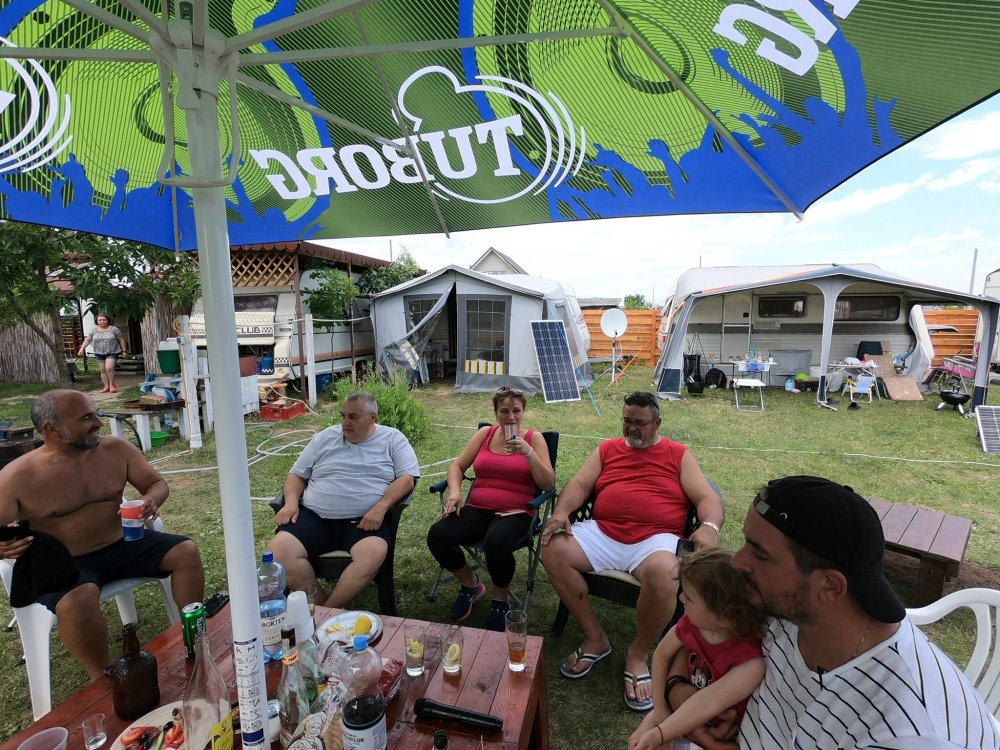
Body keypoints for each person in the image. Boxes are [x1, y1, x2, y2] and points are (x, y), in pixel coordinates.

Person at [691, 475, 998, 750]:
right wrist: (678, 691)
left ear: (830, 586)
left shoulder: (906, 733)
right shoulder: (787, 609)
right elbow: (693, 634)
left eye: (760, 555)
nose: (738, 562)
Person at [540, 390, 725, 712]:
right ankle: (594, 637)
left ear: (657, 423)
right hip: (605, 532)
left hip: (655, 539)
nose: (631, 428)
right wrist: (562, 511)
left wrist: (709, 527)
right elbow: (580, 484)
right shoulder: (607, 449)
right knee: (554, 549)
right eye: (627, 420)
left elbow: (707, 498)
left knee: (665, 573)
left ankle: (638, 654)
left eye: (640, 422)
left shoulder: (678, 454)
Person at [0, 389, 204, 679]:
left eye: (97, 414)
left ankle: (194, 637)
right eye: (86, 418)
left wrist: (150, 499)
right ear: (52, 429)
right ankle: (103, 679)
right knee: (79, 599)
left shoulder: (116, 450)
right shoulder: (18, 476)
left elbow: (156, 483)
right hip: (65, 562)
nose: (98, 423)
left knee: (186, 552)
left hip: (124, 542)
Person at [267, 391, 420, 608]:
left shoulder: (393, 439)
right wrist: (291, 503)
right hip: (314, 517)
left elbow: (406, 479)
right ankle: (327, 613)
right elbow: (297, 475)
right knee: (278, 554)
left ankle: (325, 614)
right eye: (343, 416)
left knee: (372, 555)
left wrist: (381, 507)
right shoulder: (324, 438)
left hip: (364, 520)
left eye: (353, 417)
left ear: (373, 417)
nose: (345, 422)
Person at [426, 385, 555, 631]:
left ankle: (500, 599)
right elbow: (457, 466)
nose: (511, 417)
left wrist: (528, 453)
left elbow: (548, 484)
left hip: (517, 512)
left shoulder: (534, 439)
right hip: (478, 508)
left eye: (516, 411)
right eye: (504, 411)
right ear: (496, 413)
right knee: (438, 535)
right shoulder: (485, 434)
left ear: (523, 412)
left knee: (496, 541)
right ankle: (470, 583)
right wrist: (455, 492)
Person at [629, 547, 766, 750]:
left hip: (718, 734)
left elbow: (708, 702)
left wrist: (661, 732)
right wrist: (660, 708)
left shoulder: (750, 663)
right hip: (680, 712)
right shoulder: (693, 623)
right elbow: (661, 654)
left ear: (724, 618)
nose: (681, 599)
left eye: (690, 597)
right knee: (637, 741)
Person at [77, 313, 128, 393]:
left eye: (104, 320)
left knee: (109, 368)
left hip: (112, 351)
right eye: (100, 320)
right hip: (99, 352)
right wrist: (81, 349)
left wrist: (124, 351)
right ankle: (106, 386)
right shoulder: (94, 330)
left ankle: (112, 385)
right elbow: (88, 340)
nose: (102, 321)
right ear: (97, 321)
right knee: (103, 370)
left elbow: (121, 340)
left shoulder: (114, 329)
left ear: (108, 320)